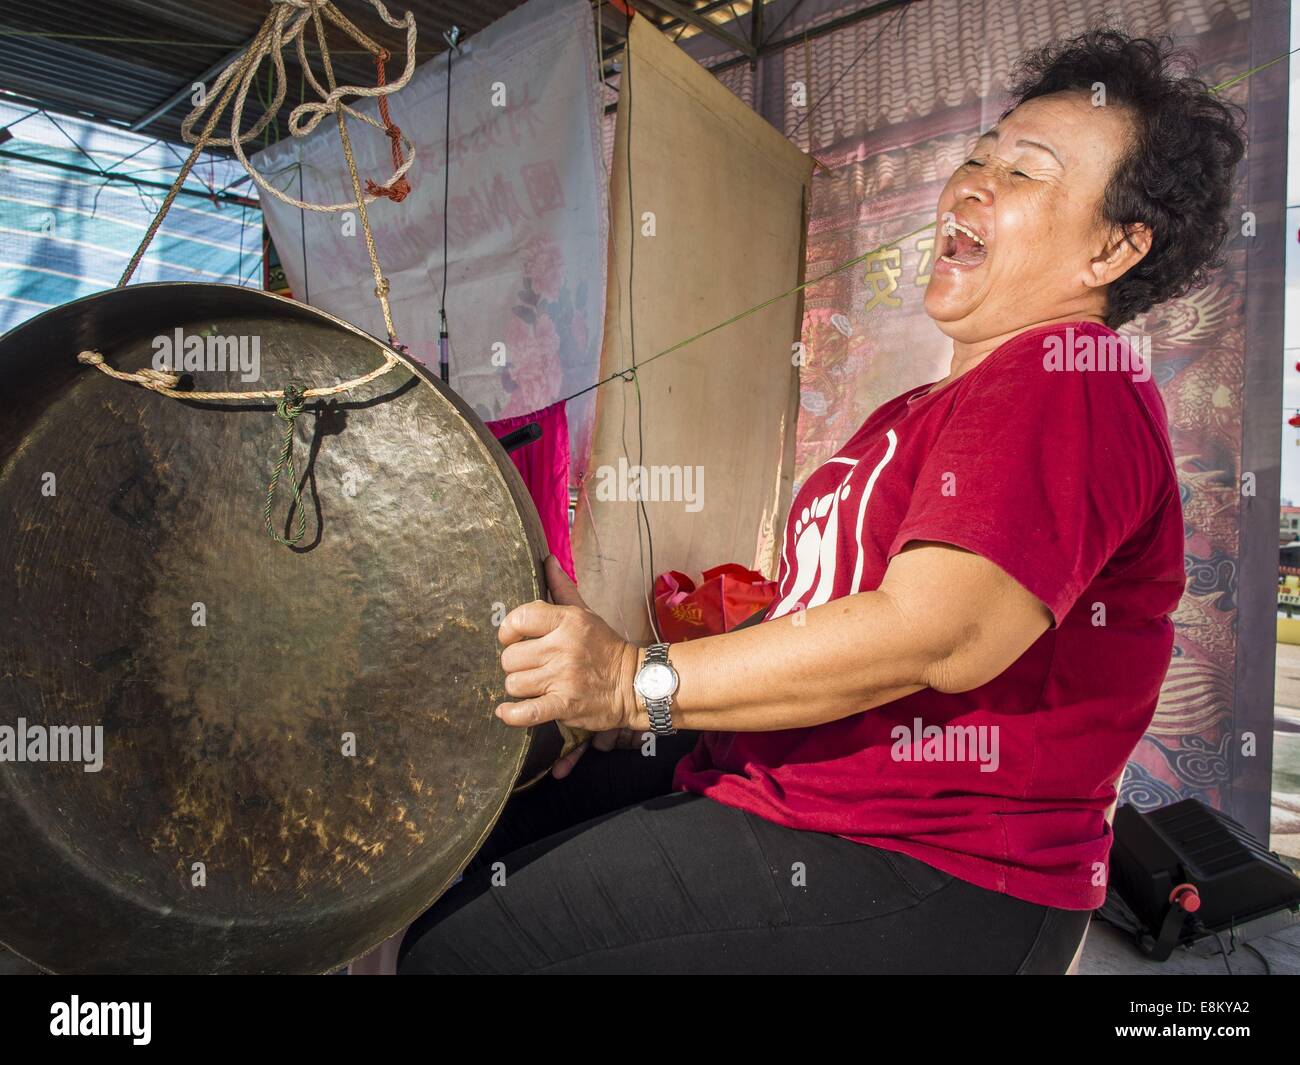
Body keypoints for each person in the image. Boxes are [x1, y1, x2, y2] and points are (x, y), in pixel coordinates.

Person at [399, 28, 1246, 974]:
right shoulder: (924, 407)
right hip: (789, 785)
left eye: (1024, 174)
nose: (970, 184)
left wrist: (636, 682)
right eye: (977, 156)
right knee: (483, 830)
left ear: (1115, 247)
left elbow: (939, 634)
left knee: (466, 948)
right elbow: (823, 619)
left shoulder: (1068, 374)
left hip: (934, 864)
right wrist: (636, 698)